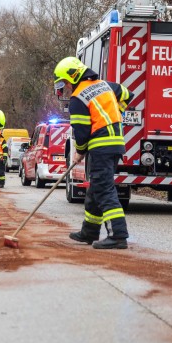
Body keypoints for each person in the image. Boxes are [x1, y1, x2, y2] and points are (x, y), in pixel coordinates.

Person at [53, 56, 134, 249]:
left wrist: (79, 152)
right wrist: (117, 114)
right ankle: (89, 232)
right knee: (95, 187)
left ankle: (118, 235)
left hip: (101, 146)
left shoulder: (78, 98)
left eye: (65, 82)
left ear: (72, 77)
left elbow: (81, 133)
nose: (66, 87)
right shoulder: (105, 85)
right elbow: (128, 94)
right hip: (114, 144)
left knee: (104, 188)